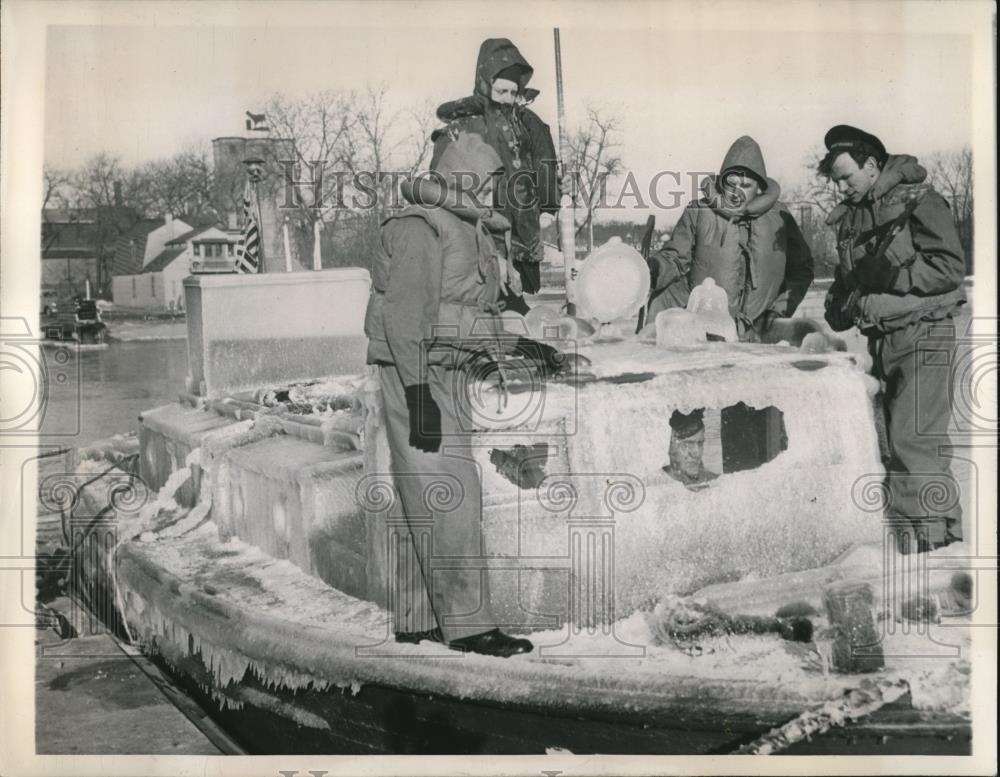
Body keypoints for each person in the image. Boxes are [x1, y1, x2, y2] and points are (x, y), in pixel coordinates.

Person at [366, 131, 581, 657]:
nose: (493, 192)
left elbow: (466, 315)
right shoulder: (422, 228)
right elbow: (406, 318)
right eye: (485, 182)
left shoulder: (470, 228)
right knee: (450, 493)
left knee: (425, 493)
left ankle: (420, 620)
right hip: (418, 372)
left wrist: (523, 346)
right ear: (458, 178)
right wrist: (418, 396)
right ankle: (468, 628)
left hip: (446, 369)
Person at [819, 125, 966, 553]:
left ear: (872, 165)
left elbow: (949, 268)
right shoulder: (852, 218)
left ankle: (934, 548)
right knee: (890, 442)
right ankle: (916, 540)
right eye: (835, 181)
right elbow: (847, 286)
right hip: (882, 340)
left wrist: (895, 276)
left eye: (846, 177)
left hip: (924, 335)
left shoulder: (919, 201)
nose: (840, 188)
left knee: (914, 441)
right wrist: (844, 304)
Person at [431, 38, 560, 315]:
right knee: (494, 303)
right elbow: (443, 180)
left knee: (513, 304)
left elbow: (544, 163)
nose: (508, 99)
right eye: (501, 91)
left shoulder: (527, 123)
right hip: (482, 231)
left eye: (514, 93)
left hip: (522, 230)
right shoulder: (464, 122)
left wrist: (549, 203)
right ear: (485, 83)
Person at [646, 135, 815, 341]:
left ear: (760, 187)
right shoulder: (699, 211)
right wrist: (654, 269)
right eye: (731, 183)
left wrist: (777, 312)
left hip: (759, 338)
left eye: (745, 185)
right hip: (705, 331)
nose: (736, 192)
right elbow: (674, 258)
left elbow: (802, 270)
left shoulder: (780, 217)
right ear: (721, 183)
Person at [662, 409, 718, 490]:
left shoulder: (714, 482)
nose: (697, 452)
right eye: (688, 444)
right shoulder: (653, 485)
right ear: (671, 446)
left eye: (700, 443)